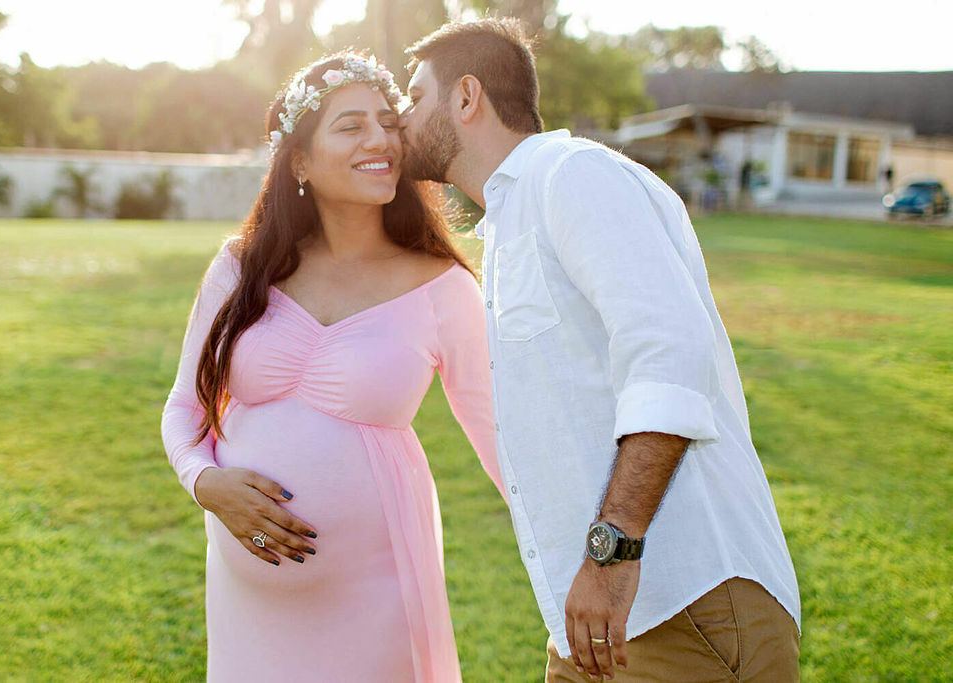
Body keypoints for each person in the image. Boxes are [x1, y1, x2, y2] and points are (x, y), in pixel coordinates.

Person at [401, 19, 801, 681]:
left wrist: (611, 552)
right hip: (589, 624)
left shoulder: (572, 174)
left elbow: (669, 352)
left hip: (684, 603)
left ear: (466, 97)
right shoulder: (507, 220)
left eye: (415, 97)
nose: (401, 117)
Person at [161, 52, 501, 682]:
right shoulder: (242, 267)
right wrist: (204, 483)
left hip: (379, 593)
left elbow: (502, 440)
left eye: (387, 122)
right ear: (300, 161)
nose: (380, 140)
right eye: (351, 126)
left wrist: (601, 556)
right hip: (249, 608)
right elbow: (186, 406)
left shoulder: (444, 287)